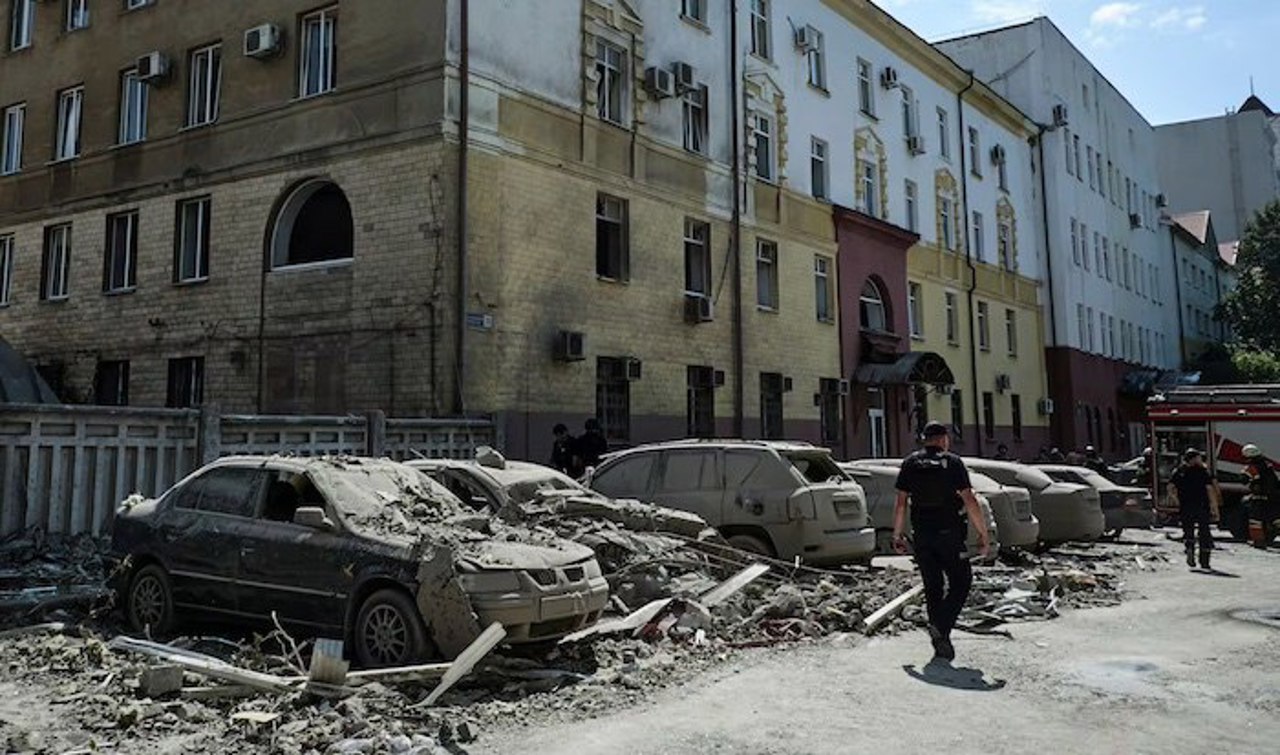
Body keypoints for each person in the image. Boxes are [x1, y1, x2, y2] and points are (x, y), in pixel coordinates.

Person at [893, 421, 991, 661]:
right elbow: (969, 500)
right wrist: (983, 533)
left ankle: (940, 640)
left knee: (933, 586)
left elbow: (901, 502)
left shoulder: (910, 463)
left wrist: (897, 534)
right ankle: (942, 626)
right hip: (949, 535)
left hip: (922, 536)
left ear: (925, 439)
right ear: (943, 439)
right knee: (962, 581)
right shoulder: (953, 463)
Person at [1169, 448, 1220, 569]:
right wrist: (1214, 507)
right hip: (1202, 506)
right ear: (1193, 459)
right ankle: (1204, 561)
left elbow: (1170, 487)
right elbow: (1210, 490)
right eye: (1198, 458)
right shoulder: (1202, 472)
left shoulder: (1179, 471)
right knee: (1204, 532)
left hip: (1186, 506)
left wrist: (1177, 501)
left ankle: (1190, 548)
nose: (1200, 460)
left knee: (1188, 531)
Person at [1242, 443, 1279, 547]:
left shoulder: (1252, 467)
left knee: (1255, 520)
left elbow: (1243, 479)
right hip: (1273, 497)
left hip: (1259, 498)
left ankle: (1259, 541)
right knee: (1275, 518)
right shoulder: (1267, 465)